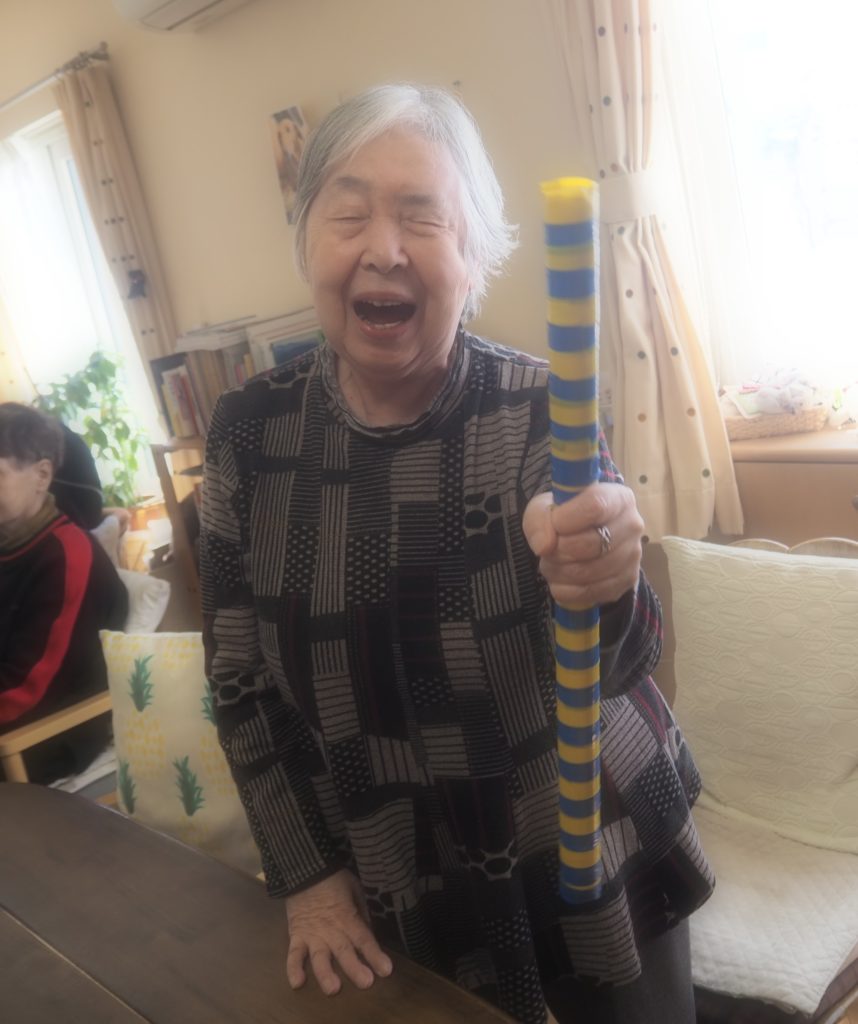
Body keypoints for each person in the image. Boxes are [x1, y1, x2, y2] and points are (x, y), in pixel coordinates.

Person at [200, 84, 714, 1024]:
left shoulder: (540, 411)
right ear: (307, 240)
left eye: (423, 217)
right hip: (396, 867)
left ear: (475, 256)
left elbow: (625, 659)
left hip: (584, 834)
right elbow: (241, 685)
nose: (383, 248)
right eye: (349, 213)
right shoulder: (247, 434)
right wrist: (305, 873)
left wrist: (611, 578)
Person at [0, 402, 128, 782]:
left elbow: (25, 690)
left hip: (50, 733)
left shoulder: (67, 557)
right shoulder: (8, 543)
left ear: (42, 475)